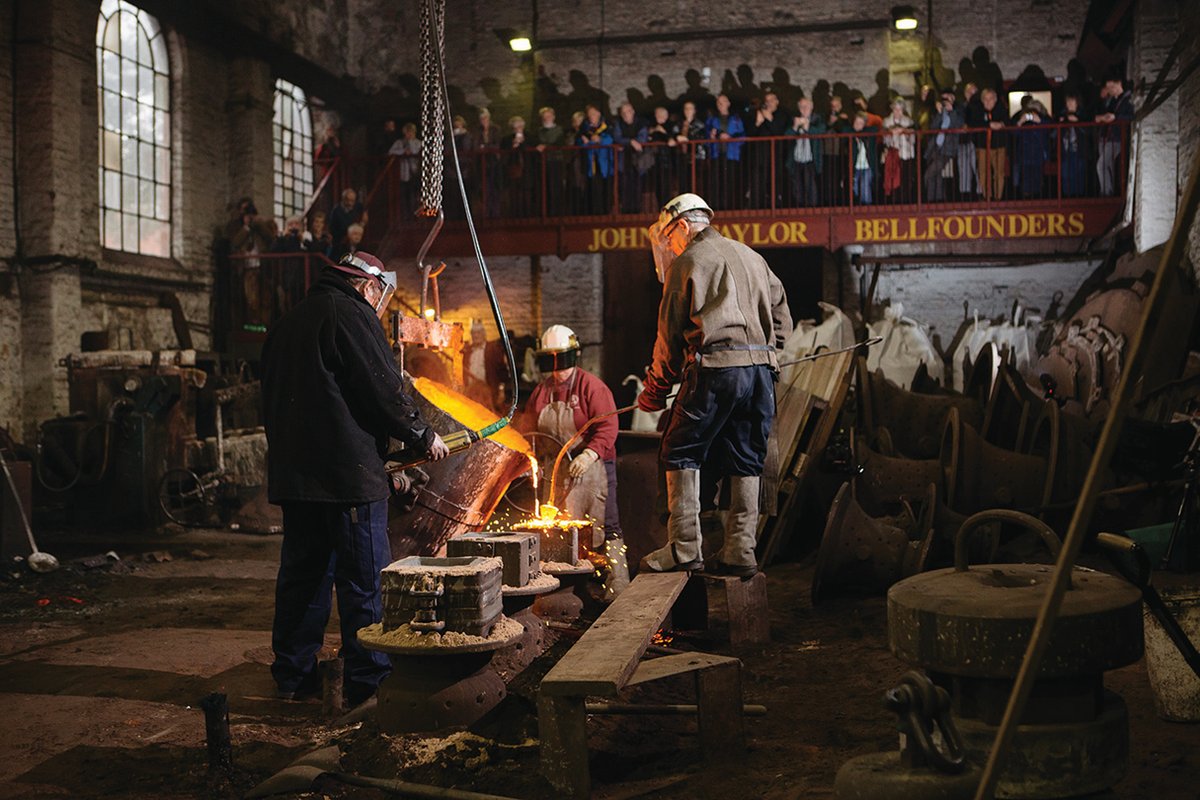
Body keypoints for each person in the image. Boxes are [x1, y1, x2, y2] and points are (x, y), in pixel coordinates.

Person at [261, 250, 450, 707]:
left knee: (302, 579)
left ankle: (292, 677)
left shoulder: (287, 324)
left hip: (298, 480)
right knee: (364, 581)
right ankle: (368, 684)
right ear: (368, 286)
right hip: (349, 482)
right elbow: (381, 386)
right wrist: (420, 432)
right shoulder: (351, 313)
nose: (378, 307)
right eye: (380, 298)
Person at [638, 193, 792, 577]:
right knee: (746, 455)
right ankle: (741, 550)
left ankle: (685, 548)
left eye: (669, 237)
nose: (669, 246)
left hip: (717, 370)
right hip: (760, 374)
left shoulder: (687, 262)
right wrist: (768, 352)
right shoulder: (752, 256)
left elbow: (669, 339)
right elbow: (781, 313)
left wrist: (655, 390)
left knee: (679, 449)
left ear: (683, 226)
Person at [523, 325, 629, 595]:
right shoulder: (541, 393)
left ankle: (617, 584)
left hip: (593, 468)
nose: (558, 371)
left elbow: (607, 427)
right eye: (551, 363)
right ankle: (571, 588)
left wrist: (589, 454)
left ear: (575, 356)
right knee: (560, 528)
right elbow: (528, 431)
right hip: (555, 472)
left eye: (564, 362)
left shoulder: (592, 388)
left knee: (605, 525)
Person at [968, 88, 1009, 201]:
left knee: (999, 172)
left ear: (995, 100)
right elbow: (973, 123)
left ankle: (998, 197)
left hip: (998, 145)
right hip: (982, 146)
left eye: (990, 99)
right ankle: (987, 196)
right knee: (983, 173)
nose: (988, 101)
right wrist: (989, 125)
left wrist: (1001, 124)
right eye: (985, 99)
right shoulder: (978, 110)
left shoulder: (1001, 109)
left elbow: (1008, 121)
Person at [1095, 75, 1133, 197]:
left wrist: (1115, 118)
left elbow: (1130, 116)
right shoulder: (1116, 100)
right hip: (1111, 136)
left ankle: (1106, 193)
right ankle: (1108, 191)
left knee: (1102, 165)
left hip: (1117, 137)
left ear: (1118, 84)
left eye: (1111, 87)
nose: (1109, 90)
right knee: (1107, 165)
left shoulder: (1127, 99)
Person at [706, 94, 745, 209]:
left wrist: (730, 137)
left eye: (723, 101)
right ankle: (717, 207)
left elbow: (743, 136)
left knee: (731, 182)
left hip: (731, 154)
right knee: (716, 182)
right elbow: (707, 136)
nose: (721, 104)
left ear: (728, 103)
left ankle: (730, 207)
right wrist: (712, 136)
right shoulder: (712, 120)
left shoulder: (736, 119)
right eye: (718, 102)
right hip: (716, 154)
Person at [923, 90, 961, 202]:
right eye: (943, 99)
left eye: (947, 99)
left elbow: (957, 124)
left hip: (947, 149)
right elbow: (933, 127)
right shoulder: (939, 112)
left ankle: (931, 200)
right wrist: (940, 113)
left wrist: (952, 110)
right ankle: (938, 199)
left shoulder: (958, 109)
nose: (945, 102)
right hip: (936, 148)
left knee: (928, 175)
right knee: (937, 175)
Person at [787, 97, 824, 207]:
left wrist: (807, 127)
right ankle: (799, 208)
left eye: (806, 107)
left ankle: (811, 209)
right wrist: (795, 127)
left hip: (810, 159)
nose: (804, 109)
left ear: (811, 107)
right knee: (797, 187)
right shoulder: (794, 120)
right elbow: (786, 135)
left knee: (810, 186)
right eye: (801, 107)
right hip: (797, 159)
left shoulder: (818, 120)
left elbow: (821, 131)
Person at [612, 102, 649, 214]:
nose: (625, 115)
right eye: (623, 113)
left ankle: (637, 210)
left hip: (638, 160)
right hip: (624, 161)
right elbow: (617, 138)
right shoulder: (618, 123)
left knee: (637, 185)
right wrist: (631, 141)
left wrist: (626, 142)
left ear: (632, 111)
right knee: (624, 185)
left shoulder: (641, 123)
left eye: (627, 112)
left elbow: (642, 140)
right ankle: (625, 211)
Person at [577, 105, 613, 215]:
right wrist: (588, 142)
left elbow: (610, 140)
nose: (591, 116)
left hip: (604, 163)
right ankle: (595, 212)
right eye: (589, 114)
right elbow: (580, 142)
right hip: (591, 163)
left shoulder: (606, 126)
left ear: (598, 114)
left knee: (606, 189)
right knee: (593, 189)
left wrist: (599, 139)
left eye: (593, 113)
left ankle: (606, 212)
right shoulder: (584, 128)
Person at [882, 98, 915, 203]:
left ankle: (905, 201)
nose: (897, 112)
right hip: (892, 154)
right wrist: (891, 132)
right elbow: (883, 139)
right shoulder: (886, 122)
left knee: (905, 178)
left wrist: (904, 131)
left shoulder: (909, 121)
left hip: (906, 153)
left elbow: (913, 139)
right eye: (895, 109)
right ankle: (893, 201)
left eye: (900, 110)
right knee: (892, 178)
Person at [1057, 93, 1090, 197]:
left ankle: (1079, 195)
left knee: (1079, 174)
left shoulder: (1083, 114)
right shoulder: (1062, 115)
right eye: (1068, 102)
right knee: (1066, 174)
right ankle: (1067, 196)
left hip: (1079, 149)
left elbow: (1088, 130)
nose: (1070, 104)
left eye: (1072, 101)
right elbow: (1054, 132)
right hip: (1065, 149)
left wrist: (1077, 122)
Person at [535, 107, 566, 213]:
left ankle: (557, 211)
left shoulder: (559, 129)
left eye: (549, 116)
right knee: (545, 187)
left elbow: (558, 143)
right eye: (545, 116)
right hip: (543, 162)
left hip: (556, 160)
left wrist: (545, 146)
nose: (547, 118)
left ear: (553, 117)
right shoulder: (539, 131)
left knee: (556, 186)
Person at [388, 123, 422, 217]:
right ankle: (405, 215)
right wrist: (403, 152)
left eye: (411, 132)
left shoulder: (418, 143)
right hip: (404, 173)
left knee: (415, 195)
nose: (409, 134)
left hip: (415, 173)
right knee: (404, 195)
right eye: (407, 132)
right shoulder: (399, 143)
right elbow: (390, 152)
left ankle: (415, 214)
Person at [850, 112, 878, 206]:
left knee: (865, 186)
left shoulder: (869, 134)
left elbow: (874, 129)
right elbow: (845, 130)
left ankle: (866, 207)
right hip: (855, 166)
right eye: (856, 122)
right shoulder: (851, 135)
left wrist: (860, 134)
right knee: (855, 188)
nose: (857, 125)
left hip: (867, 166)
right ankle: (857, 206)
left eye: (860, 123)